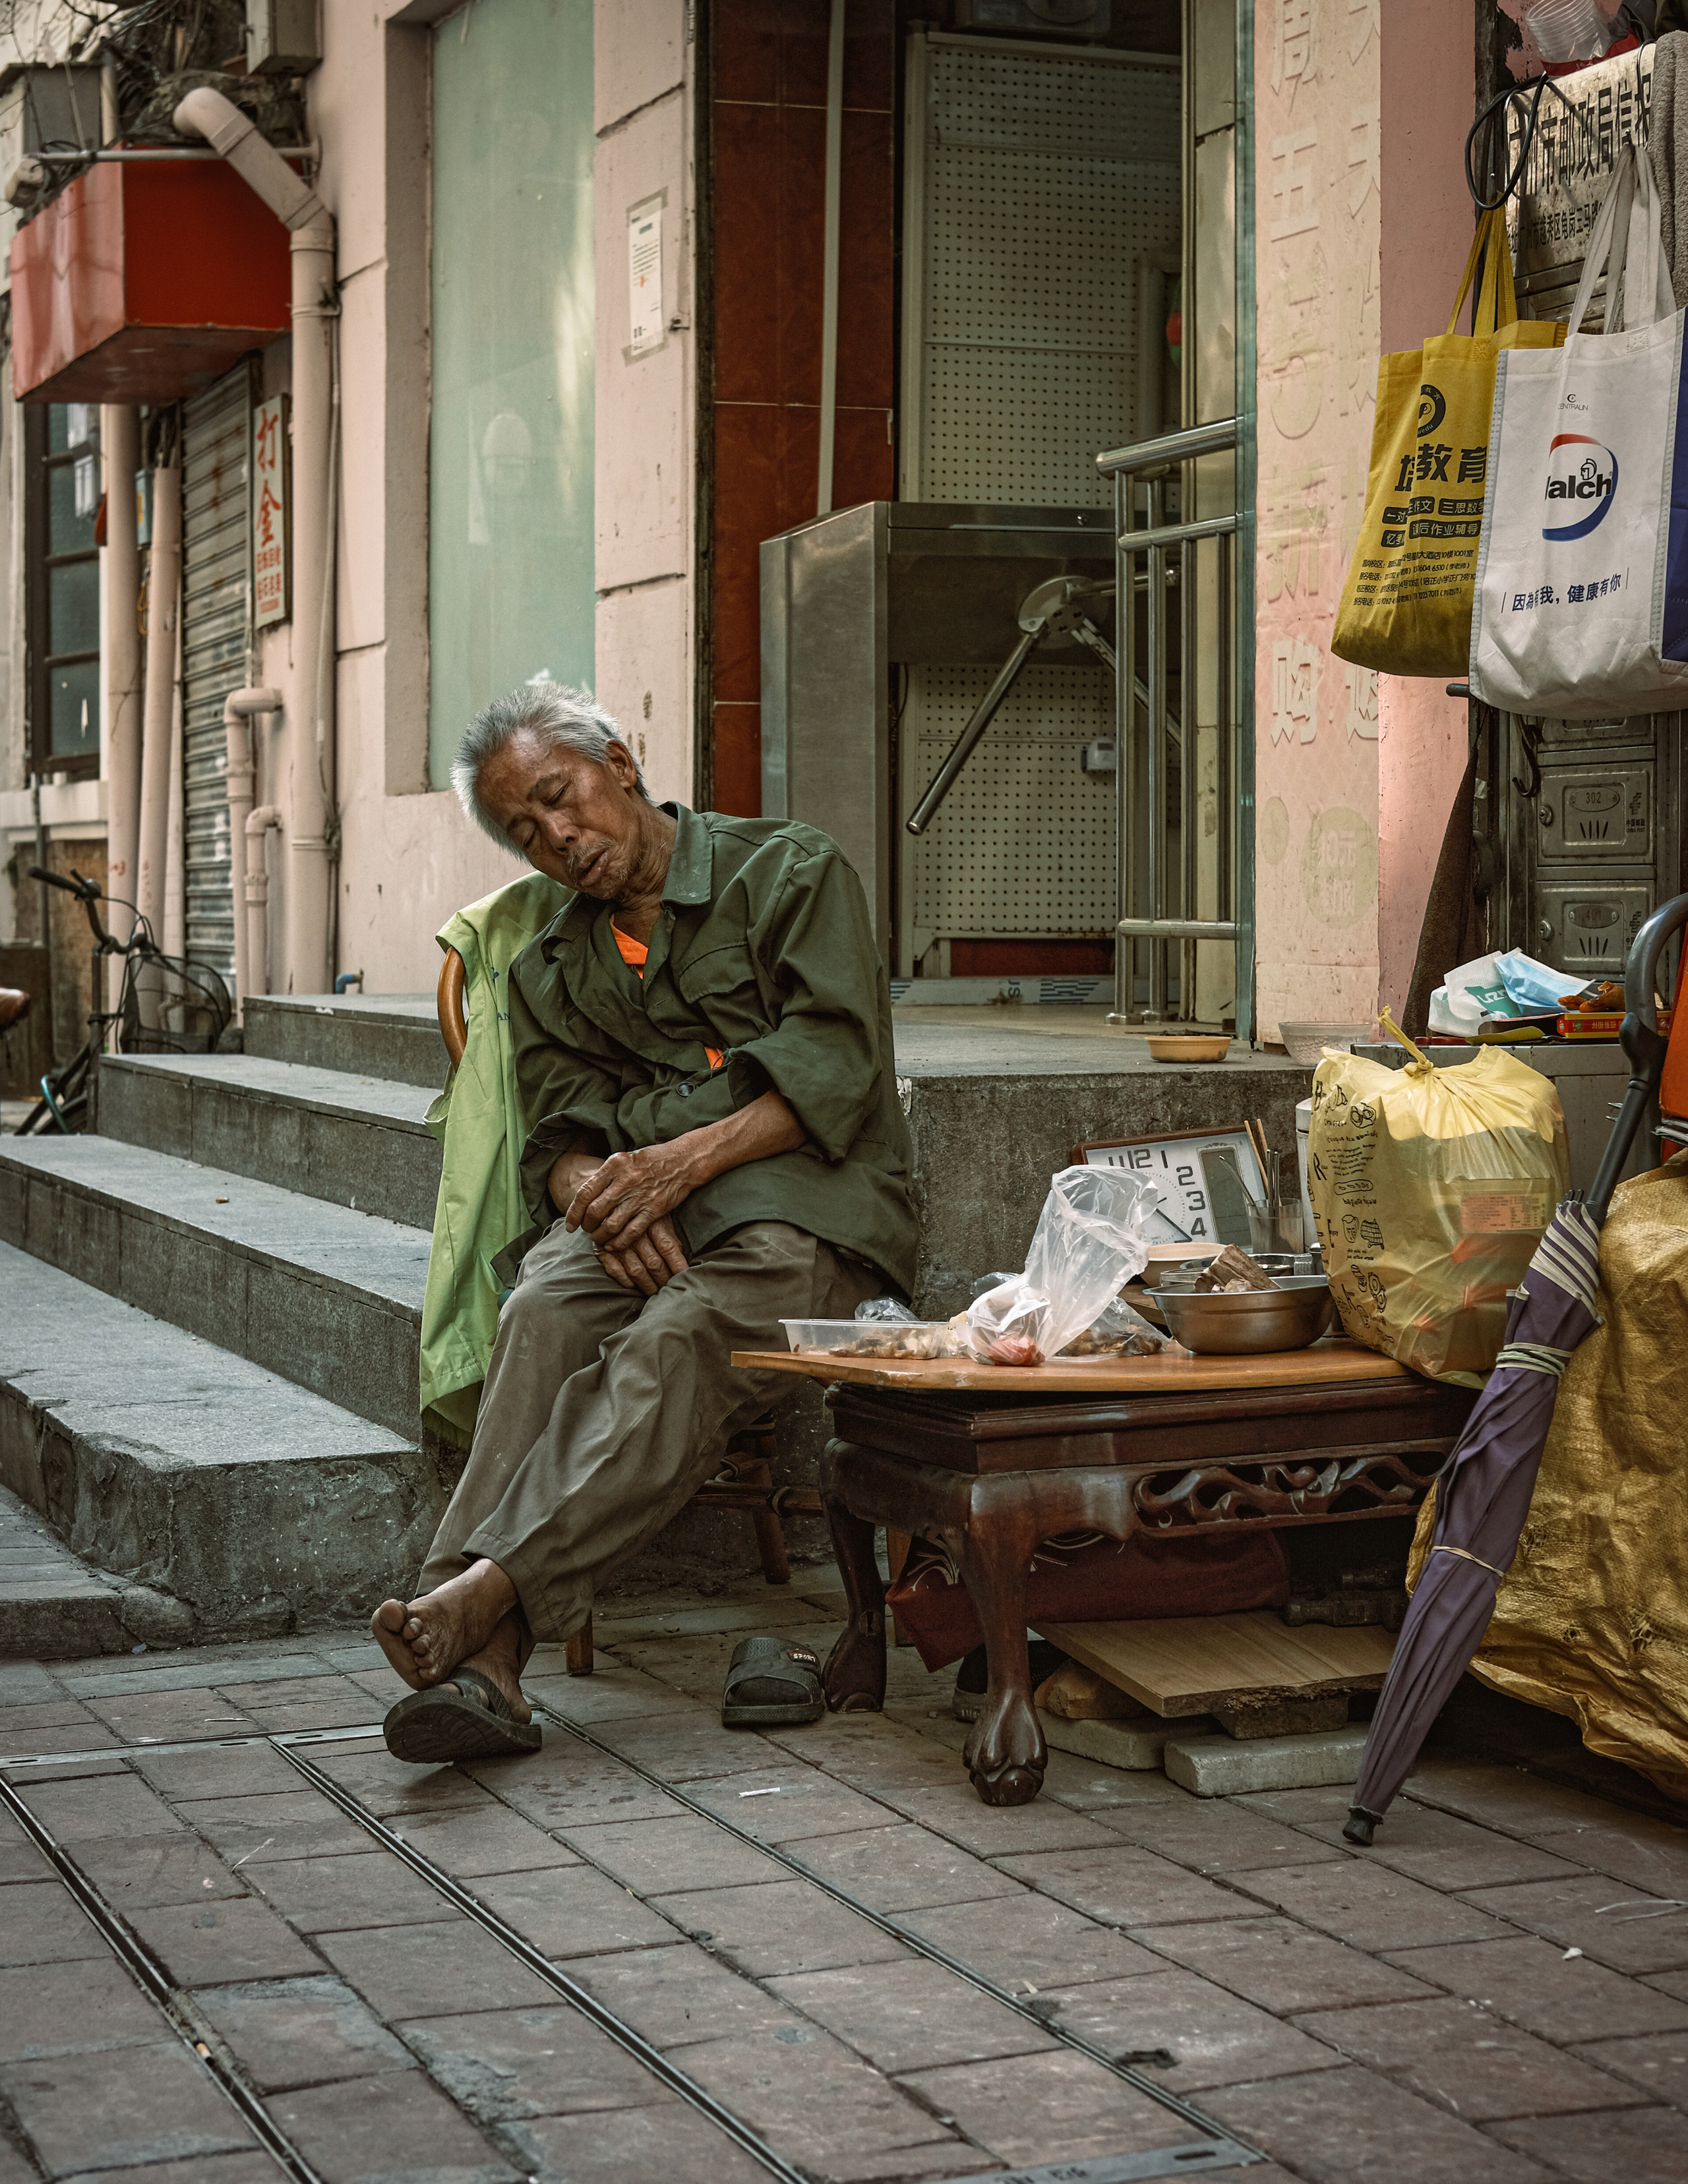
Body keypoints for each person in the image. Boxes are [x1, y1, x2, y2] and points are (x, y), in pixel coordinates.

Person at [371, 680, 917, 1760]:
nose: (558, 838)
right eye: (527, 832)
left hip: (804, 1218)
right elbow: (562, 1141)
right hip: (639, 1220)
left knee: (679, 1337)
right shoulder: (549, 968)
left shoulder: (790, 873)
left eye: (561, 798)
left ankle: (475, 1615)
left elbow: (836, 1071)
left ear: (621, 763)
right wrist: (594, 1197)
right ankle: (474, 1647)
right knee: (538, 1306)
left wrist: (669, 1157)